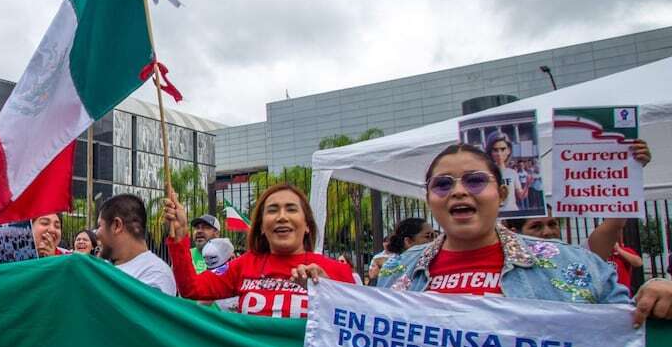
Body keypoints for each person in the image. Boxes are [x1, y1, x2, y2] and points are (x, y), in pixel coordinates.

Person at [376, 144, 649, 311]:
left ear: (503, 194)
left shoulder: (574, 265)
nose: (458, 191)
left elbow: (628, 340)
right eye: (443, 184)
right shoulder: (398, 270)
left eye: (475, 181)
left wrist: (658, 298)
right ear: (429, 199)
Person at [165, 184, 356, 318]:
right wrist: (180, 234)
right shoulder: (243, 265)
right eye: (272, 210)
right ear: (262, 227)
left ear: (307, 225)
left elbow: (359, 328)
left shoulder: (338, 272)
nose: (282, 217)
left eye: (291, 209)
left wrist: (327, 290)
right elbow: (192, 288)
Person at [95, 194, 176, 295]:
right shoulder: (104, 267)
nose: (96, 233)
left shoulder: (156, 273)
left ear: (117, 225)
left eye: (99, 225)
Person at [484, 131, 526, 212]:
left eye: (503, 149)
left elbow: (521, 195)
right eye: (495, 150)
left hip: (513, 212)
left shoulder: (512, 173)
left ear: (508, 150)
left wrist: (527, 184)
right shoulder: (487, 174)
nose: (499, 154)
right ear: (491, 152)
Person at [200, 237, 239, 311]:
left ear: (233, 258)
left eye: (221, 270)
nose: (217, 276)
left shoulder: (248, 276)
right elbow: (199, 310)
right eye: (213, 272)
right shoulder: (211, 283)